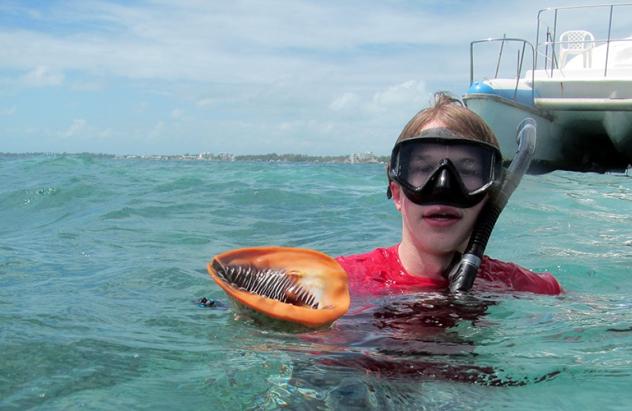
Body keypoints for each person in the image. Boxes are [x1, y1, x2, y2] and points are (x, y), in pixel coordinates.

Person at [335, 92, 562, 296]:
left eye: (468, 170)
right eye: (424, 169)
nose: (443, 186)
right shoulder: (341, 281)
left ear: (492, 195)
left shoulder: (517, 286)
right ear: (397, 193)